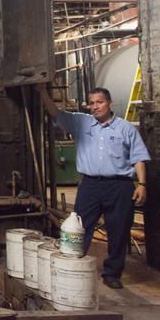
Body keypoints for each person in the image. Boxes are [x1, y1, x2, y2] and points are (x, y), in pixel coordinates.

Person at [37, 83, 149, 289]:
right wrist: (43, 91)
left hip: (119, 186)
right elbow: (55, 113)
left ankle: (112, 274)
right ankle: (73, 267)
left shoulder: (125, 128)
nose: (95, 106)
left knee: (118, 230)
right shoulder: (81, 123)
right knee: (80, 227)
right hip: (90, 185)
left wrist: (141, 184)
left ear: (109, 103)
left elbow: (138, 157)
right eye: (92, 103)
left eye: (100, 102)